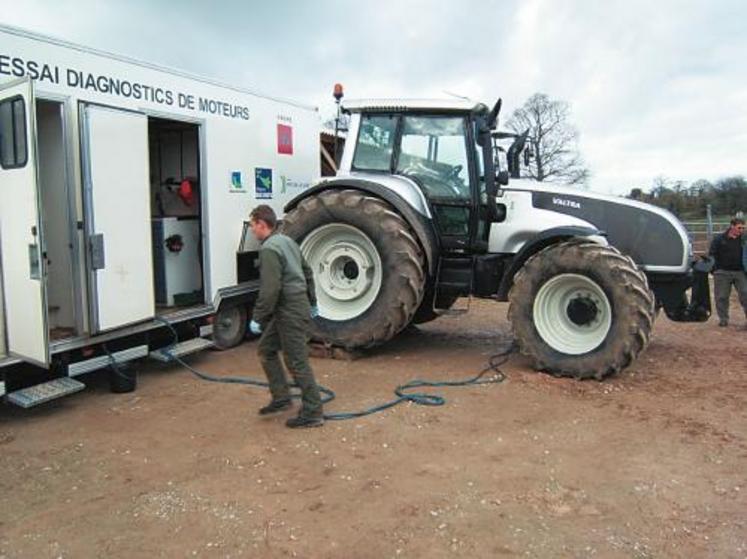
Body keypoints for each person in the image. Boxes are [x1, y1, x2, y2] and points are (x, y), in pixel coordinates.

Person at [248, 205, 324, 428]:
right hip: (293, 307)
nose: (252, 231)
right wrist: (312, 302)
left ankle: (313, 411)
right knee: (266, 349)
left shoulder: (270, 249)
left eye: (253, 226)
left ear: (262, 224)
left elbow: (271, 289)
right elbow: (307, 272)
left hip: (289, 309)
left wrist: (258, 317)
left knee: (296, 361)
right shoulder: (288, 242)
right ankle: (281, 398)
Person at [708, 217, 747, 328]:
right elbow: (712, 254)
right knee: (722, 296)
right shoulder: (719, 239)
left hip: (740, 272)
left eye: (743, 228)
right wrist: (714, 269)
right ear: (732, 226)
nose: (741, 230)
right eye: (739, 227)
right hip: (722, 272)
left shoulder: (744, 239)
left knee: (745, 294)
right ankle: (723, 319)